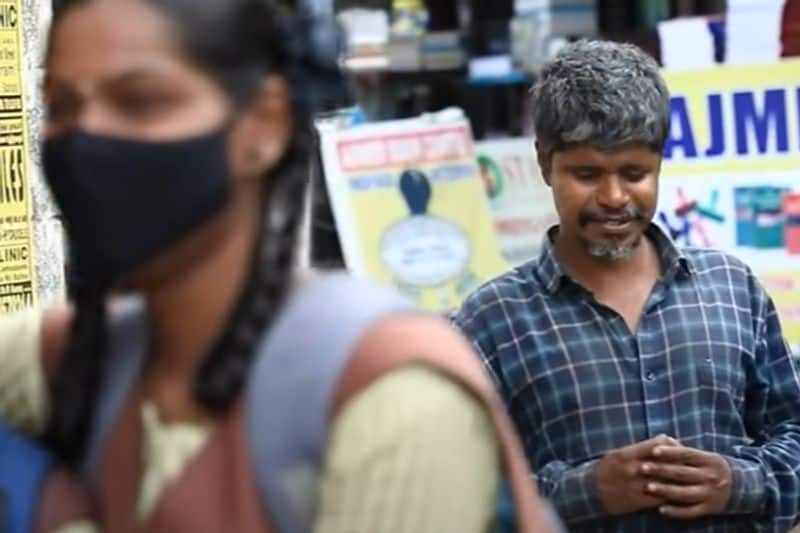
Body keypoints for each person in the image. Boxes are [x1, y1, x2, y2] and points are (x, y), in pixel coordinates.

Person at [0, 0, 559, 531]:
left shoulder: (390, 396)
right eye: (64, 107)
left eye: (142, 102)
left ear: (263, 125)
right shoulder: (71, 357)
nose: (89, 138)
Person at [451, 39, 800, 532]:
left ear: (660, 161)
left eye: (635, 173)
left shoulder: (732, 289)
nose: (614, 197)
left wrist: (740, 482)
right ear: (545, 163)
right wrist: (586, 491)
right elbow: (459, 493)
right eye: (587, 174)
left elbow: (794, 429)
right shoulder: (490, 322)